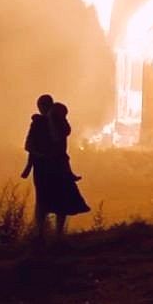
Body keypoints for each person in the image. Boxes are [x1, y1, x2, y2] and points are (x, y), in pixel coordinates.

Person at [22, 94, 89, 240]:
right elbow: (29, 145)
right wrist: (39, 155)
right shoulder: (38, 123)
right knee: (44, 200)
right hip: (46, 167)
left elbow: (58, 137)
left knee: (59, 199)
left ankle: (54, 235)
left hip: (56, 166)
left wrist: (52, 120)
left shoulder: (59, 122)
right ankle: (41, 234)